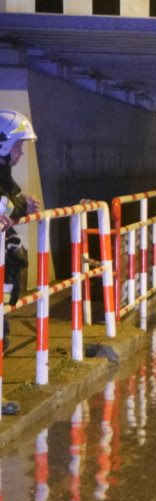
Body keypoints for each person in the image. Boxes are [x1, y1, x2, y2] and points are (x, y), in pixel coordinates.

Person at [0, 109, 41, 416]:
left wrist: (17, 204)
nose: (21, 152)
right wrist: (19, 205)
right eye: (18, 145)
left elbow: (9, 204)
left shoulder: (4, 174)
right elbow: (7, 206)